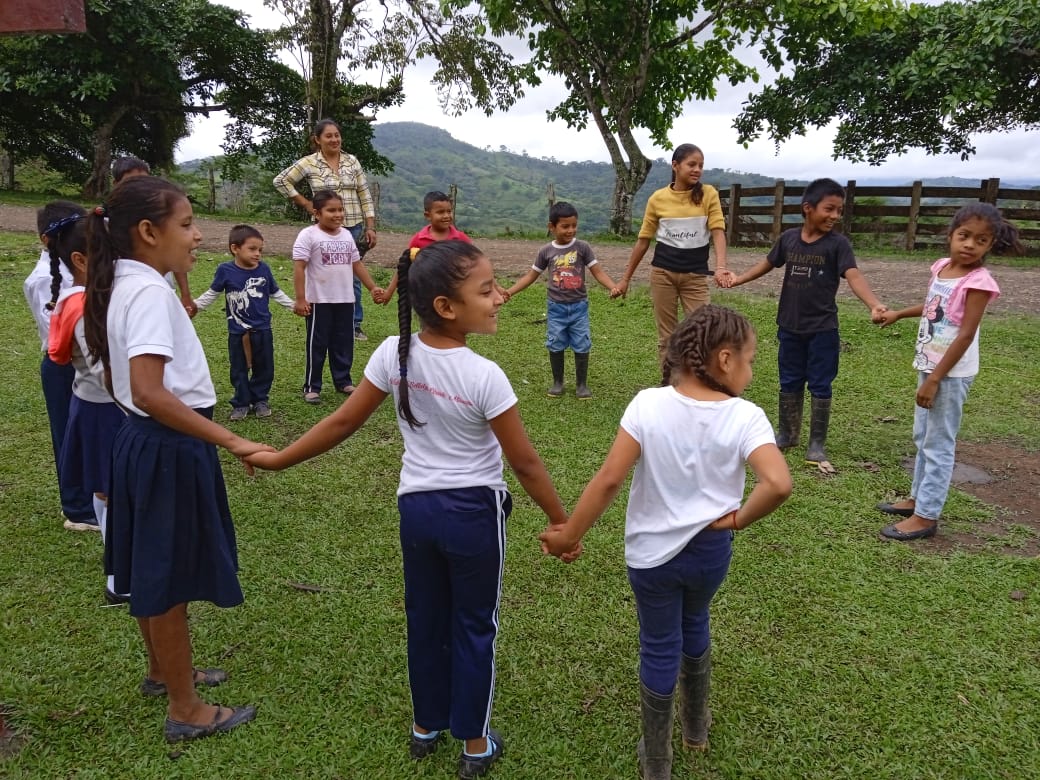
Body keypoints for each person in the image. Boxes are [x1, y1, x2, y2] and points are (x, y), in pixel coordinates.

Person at [246, 240, 570, 779]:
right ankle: (474, 743)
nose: (497, 300)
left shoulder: (391, 354)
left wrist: (281, 459)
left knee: (425, 620)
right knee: (473, 626)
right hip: (473, 515)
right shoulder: (484, 375)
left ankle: (426, 727)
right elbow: (527, 465)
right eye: (486, 291)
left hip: (416, 513)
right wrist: (561, 520)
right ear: (446, 306)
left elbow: (341, 424)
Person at [540, 305, 791, 780]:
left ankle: (657, 762)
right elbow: (777, 484)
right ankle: (696, 730)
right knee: (695, 621)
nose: (752, 371)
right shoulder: (747, 417)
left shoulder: (647, 404)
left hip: (651, 559)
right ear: (723, 359)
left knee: (658, 644)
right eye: (750, 360)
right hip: (710, 555)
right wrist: (737, 520)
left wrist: (569, 534)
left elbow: (611, 479)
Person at [83, 175, 269, 742]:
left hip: (145, 442)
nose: (197, 236)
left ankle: (166, 672)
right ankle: (186, 709)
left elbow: (121, 381)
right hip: (166, 446)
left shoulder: (124, 285)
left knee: (150, 568)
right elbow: (149, 390)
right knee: (167, 577)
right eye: (186, 224)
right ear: (147, 231)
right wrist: (230, 439)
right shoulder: (147, 293)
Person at [874, 204, 1021, 540]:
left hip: (950, 375)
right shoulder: (942, 268)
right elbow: (932, 308)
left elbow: (966, 334)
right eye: (964, 236)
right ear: (951, 235)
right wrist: (899, 313)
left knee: (938, 443)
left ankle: (927, 516)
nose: (970, 245)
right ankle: (917, 498)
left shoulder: (979, 282)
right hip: (930, 364)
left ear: (990, 245)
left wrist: (937, 379)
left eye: (980, 240)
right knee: (922, 436)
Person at [721, 177, 887, 474]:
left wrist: (873, 304)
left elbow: (854, 275)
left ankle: (817, 443)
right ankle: (787, 434)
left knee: (821, 384)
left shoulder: (838, 245)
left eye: (839, 211)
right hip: (789, 325)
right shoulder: (789, 239)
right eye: (829, 209)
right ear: (808, 208)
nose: (835, 216)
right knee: (790, 380)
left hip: (823, 328)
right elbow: (767, 264)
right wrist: (738, 278)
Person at [44, 211, 129, 602]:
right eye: (108, 252)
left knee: (106, 489)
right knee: (112, 492)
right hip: (105, 410)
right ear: (81, 260)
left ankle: (119, 567)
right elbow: (100, 370)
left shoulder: (83, 298)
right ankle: (119, 577)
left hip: (97, 407)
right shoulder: (82, 306)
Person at [611, 144, 729, 365]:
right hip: (663, 275)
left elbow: (718, 232)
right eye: (691, 164)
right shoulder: (657, 199)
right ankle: (670, 388)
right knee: (667, 338)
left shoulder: (708, 195)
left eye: (701, 166)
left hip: (695, 276)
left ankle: (698, 386)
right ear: (675, 166)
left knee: (702, 333)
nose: (697, 170)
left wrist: (720, 266)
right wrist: (625, 279)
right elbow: (643, 240)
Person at [23, 200, 97, 530]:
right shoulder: (43, 280)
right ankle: (77, 509)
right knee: (67, 435)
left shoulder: (78, 269)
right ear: (48, 240)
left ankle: (90, 498)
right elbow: (60, 332)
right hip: (63, 365)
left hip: (84, 361)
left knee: (84, 433)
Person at [274, 118, 378, 341]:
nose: (334, 139)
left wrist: (370, 226)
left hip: (354, 226)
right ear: (317, 140)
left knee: (352, 275)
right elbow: (281, 181)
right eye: (328, 136)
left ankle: (353, 323)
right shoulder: (310, 163)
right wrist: (306, 203)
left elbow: (364, 194)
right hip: (324, 229)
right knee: (324, 272)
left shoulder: (352, 161)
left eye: (337, 135)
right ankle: (323, 317)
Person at [504, 201, 616, 398]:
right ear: (551, 227)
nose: (570, 230)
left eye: (574, 225)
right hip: (556, 308)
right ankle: (558, 382)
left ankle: (581, 384)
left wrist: (613, 287)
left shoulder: (583, 247)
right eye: (565, 226)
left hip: (579, 307)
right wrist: (509, 292)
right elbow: (531, 276)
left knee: (582, 343)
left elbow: (597, 272)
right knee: (555, 343)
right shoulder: (546, 251)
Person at [192, 224, 295, 420]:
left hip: (262, 330)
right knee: (238, 368)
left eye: (260, 250)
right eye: (252, 249)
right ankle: (241, 402)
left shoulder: (264, 269)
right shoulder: (225, 270)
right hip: (238, 332)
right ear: (235, 248)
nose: (258, 254)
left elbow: (275, 293)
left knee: (264, 368)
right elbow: (212, 294)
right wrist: (195, 306)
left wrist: (294, 306)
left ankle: (260, 400)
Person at [292, 189, 382, 404]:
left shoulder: (345, 235)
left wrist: (372, 287)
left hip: (345, 300)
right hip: (319, 301)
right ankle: (312, 386)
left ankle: (343, 381)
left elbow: (356, 264)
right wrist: (301, 299)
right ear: (316, 213)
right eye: (331, 210)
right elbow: (299, 267)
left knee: (343, 342)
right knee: (318, 343)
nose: (338, 214)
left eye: (340, 209)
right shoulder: (308, 235)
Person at [111, 155, 196, 317]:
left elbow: (175, 253)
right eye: (186, 225)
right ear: (147, 231)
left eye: (144, 182)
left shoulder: (160, 216)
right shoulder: (108, 223)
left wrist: (185, 294)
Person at [376, 190, 471, 304]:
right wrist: (389, 292)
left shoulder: (460, 238)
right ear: (427, 215)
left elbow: (477, 263)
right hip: (427, 296)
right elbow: (404, 267)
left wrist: (493, 287)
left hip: (456, 294)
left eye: (449, 211)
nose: (446, 216)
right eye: (440, 212)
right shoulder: (419, 240)